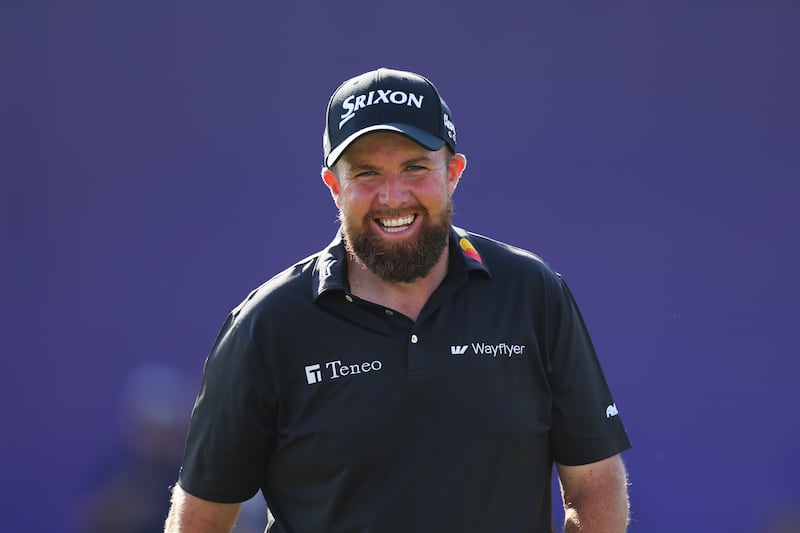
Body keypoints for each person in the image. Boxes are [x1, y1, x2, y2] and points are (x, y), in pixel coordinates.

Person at [164, 67, 632, 533]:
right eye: (367, 173)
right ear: (334, 186)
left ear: (453, 172)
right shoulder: (267, 324)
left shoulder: (532, 293)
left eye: (414, 167)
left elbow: (594, 484)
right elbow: (200, 517)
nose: (393, 196)